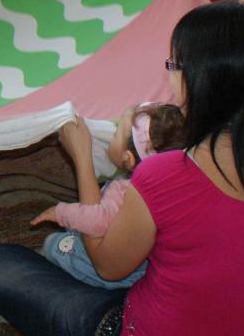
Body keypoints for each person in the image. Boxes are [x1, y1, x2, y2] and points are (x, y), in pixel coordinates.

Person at [0, 2, 244, 336]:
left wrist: (81, 160)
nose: (170, 75)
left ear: (201, 80)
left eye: (174, 65)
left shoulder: (166, 174)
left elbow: (107, 266)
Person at [30, 102, 185, 290]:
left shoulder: (125, 191)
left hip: (103, 266)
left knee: (53, 244)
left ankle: (60, 269)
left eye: (116, 133)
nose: (112, 135)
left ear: (128, 158)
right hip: (138, 261)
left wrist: (60, 212)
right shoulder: (168, 183)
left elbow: (98, 220)